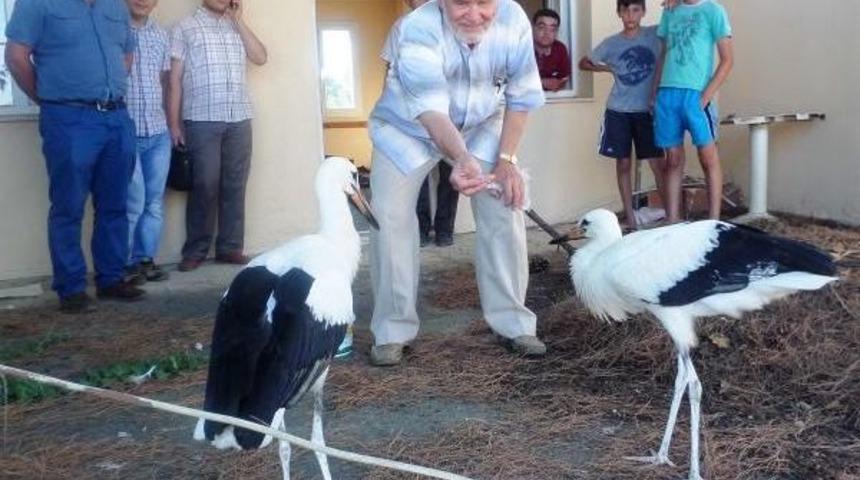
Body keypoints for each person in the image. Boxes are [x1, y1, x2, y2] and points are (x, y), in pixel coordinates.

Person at [368, 0, 547, 366]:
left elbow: (521, 95)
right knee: (389, 219)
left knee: (504, 204)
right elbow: (431, 110)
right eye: (461, 2)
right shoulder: (417, 27)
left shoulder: (513, 19)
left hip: (482, 124)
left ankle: (513, 323)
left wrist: (507, 161)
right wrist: (462, 159)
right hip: (408, 129)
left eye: (484, 2)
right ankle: (392, 329)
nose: (474, 13)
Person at [5, 0, 145, 313]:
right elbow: (16, 57)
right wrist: (48, 99)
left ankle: (110, 279)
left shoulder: (115, 6)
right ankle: (71, 288)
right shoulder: (36, 3)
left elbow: (126, 54)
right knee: (68, 206)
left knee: (116, 204)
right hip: (69, 118)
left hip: (116, 117)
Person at [167, 0, 268, 272]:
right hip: (201, 118)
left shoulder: (236, 27)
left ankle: (230, 247)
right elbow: (174, 80)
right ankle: (196, 250)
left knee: (235, 183)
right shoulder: (184, 28)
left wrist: (239, 21)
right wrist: (174, 123)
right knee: (205, 184)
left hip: (239, 117)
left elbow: (260, 57)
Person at [579, 0, 665, 230]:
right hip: (618, 111)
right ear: (618, 13)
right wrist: (607, 68)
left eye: (635, 9)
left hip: (647, 111)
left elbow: (673, 22)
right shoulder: (611, 44)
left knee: (658, 164)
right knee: (624, 164)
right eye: (625, 10)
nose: (630, 15)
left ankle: (670, 214)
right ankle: (631, 218)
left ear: (643, 12)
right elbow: (584, 63)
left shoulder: (655, 34)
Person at [381, 0, 460, 248]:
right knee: (419, 174)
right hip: (413, 115)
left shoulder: (455, 24)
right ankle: (422, 230)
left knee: (451, 174)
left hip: (451, 114)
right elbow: (390, 69)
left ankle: (445, 230)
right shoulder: (400, 27)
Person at [654, 0, 733, 222]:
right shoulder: (670, 10)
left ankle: (714, 221)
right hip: (667, 95)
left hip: (696, 95)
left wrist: (705, 97)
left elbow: (728, 60)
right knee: (673, 160)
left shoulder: (713, 10)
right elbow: (663, 55)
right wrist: (655, 91)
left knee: (708, 158)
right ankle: (672, 221)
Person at [125, 0, 171, 283]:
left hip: (158, 132)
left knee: (153, 202)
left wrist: (171, 123)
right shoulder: (114, 29)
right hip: (126, 132)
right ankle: (125, 263)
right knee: (133, 201)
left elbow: (165, 82)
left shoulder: (161, 35)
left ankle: (146, 259)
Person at [532, 8, 571, 92]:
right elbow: (510, 81)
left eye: (552, 29)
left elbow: (564, 79)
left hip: (551, 98)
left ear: (556, 32)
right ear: (533, 28)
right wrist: (541, 82)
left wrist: (558, 84)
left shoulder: (560, 49)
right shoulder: (522, 48)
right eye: (542, 27)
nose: (547, 33)